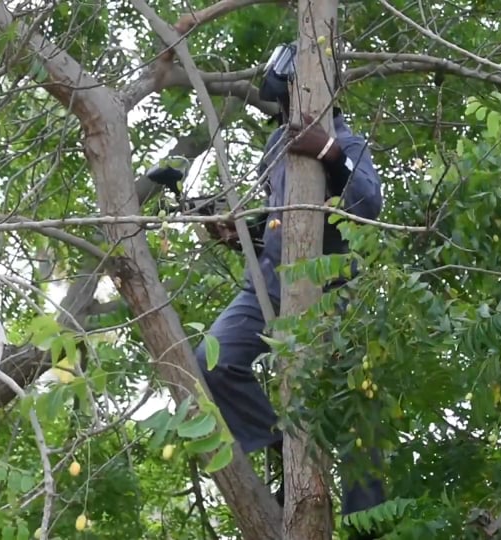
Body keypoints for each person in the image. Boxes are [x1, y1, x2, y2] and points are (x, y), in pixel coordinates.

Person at [148, 43, 385, 530]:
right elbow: (280, 223)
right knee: (211, 361)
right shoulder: (276, 144)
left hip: (334, 289)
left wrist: (328, 152)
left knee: (354, 406)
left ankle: (370, 524)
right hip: (271, 284)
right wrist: (238, 233)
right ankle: (281, 441)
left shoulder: (348, 141)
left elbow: (368, 205)